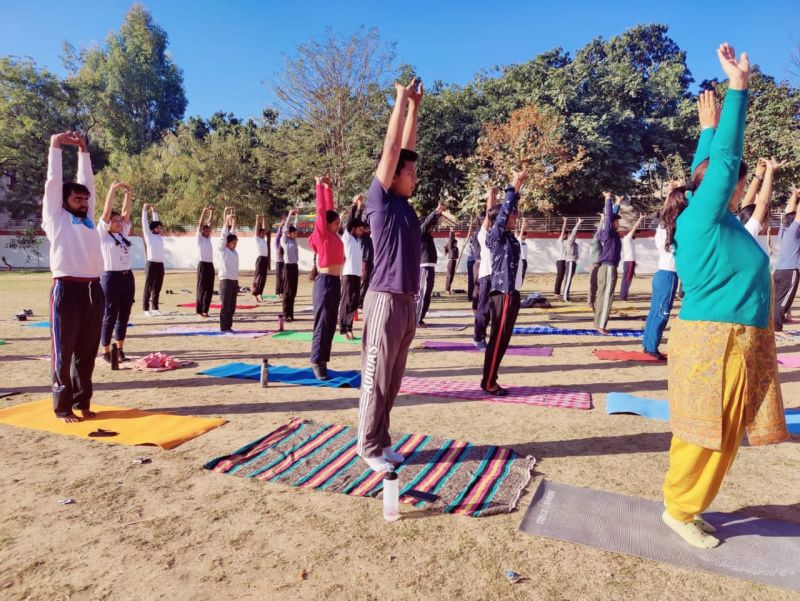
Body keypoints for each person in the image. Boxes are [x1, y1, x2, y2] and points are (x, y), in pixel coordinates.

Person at [660, 49, 787, 549]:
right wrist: (738, 89)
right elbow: (724, 163)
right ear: (722, 188)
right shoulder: (705, 217)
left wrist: (706, 130)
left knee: (722, 435)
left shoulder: (709, 215)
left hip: (730, 338)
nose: (737, 185)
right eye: (730, 183)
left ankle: (686, 504)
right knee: (705, 436)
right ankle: (679, 509)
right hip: (717, 341)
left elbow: (707, 167)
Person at [358, 77, 423, 473]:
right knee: (375, 378)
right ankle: (367, 446)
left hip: (406, 302)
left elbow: (407, 150)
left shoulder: (404, 205)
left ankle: (382, 440)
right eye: (409, 173)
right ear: (392, 176)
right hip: (383, 298)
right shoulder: (379, 201)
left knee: (393, 380)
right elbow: (393, 149)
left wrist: (416, 106)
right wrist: (400, 100)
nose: (415, 177)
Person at [42, 131, 104, 422]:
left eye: (84, 199)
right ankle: (62, 407)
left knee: (87, 353)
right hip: (66, 289)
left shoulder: (88, 217)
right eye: (77, 198)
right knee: (63, 352)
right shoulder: (56, 217)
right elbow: (54, 183)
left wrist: (84, 151)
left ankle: (83, 402)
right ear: (65, 201)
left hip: (94, 289)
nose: (82, 202)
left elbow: (87, 182)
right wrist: (56, 145)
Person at [482, 172, 527, 395]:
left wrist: (517, 192)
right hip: (502, 294)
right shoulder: (495, 235)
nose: (515, 216)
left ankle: (491, 378)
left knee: (504, 341)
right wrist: (514, 185)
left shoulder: (509, 236)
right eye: (511, 214)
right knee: (497, 340)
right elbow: (504, 211)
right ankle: (488, 382)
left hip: (512, 293)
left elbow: (509, 208)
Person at [308, 177, 345, 380]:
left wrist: (329, 188)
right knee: (322, 323)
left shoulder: (334, 237)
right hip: (324, 283)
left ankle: (323, 361)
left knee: (330, 323)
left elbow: (330, 210)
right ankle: (316, 362)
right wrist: (319, 187)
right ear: (327, 224)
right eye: (336, 223)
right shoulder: (322, 235)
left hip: (335, 283)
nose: (338, 225)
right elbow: (322, 212)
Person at [97, 181, 135, 363]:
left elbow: (126, 214)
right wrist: (112, 190)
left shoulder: (123, 234)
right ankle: (105, 350)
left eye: (119, 221)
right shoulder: (103, 234)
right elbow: (105, 214)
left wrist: (128, 193)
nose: (119, 222)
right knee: (110, 314)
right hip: (110, 277)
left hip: (127, 277)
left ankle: (120, 349)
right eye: (115, 221)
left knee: (125, 314)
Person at [641, 218, 678, 360]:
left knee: (654, 311)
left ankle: (647, 344)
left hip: (661, 274)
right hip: (668, 275)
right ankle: (651, 347)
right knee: (662, 313)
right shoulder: (672, 240)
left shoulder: (661, 230)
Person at [594, 192, 622, 333]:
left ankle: (598, 322)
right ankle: (601, 325)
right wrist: (608, 199)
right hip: (608, 268)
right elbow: (610, 217)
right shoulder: (608, 232)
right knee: (606, 296)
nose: (618, 222)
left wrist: (617, 202)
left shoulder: (609, 233)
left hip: (606, 268)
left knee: (602, 295)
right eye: (617, 221)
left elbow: (611, 217)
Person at [773, 188, 800, 332]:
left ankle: (774, 324)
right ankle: (775, 327)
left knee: (777, 300)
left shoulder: (784, 229)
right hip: (790, 272)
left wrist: (794, 196)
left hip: (779, 271)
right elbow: (796, 215)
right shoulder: (794, 232)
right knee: (783, 302)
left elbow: (788, 214)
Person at [339, 195, 366, 339]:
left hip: (356, 275)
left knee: (354, 303)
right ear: (354, 229)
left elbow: (355, 221)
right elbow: (351, 221)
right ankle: (344, 328)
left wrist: (361, 206)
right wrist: (356, 204)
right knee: (347, 302)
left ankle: (348, 327)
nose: (362, 231)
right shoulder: (348, 237)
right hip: (348, 274)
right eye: (360, 229)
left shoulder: (356, 240)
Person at [416, 204, 444, 325]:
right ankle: (416, 320)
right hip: (424, 268)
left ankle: (420, 318)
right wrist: (436, 212)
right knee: (422, 294)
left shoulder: (427, 236)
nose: (432, 228)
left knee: (427, 295)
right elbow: (427, 223)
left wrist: (439, 215)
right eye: (431, 226)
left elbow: (430, 223)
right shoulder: (420, 234)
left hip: (429, 268)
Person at [217, 208, 239, 333]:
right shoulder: (223, 250)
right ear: (227, 243)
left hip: (234, 281)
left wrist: (234, 222)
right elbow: (224, 236)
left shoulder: (234, 252)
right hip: (225, 280)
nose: (235, 244)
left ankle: (229, 326)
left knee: (232, 306)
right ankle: (223, 327)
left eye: (236, 243)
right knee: (225, 306)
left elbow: (232, 234)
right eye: (233, 243)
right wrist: (226, 221)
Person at [141, 203, 165, 316]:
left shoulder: (159, 236)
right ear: (152, 229)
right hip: (151, 263)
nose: (159, 229)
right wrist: (145, 209)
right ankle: (146, 309)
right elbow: (144, 223)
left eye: (160, 227)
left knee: (157, 286)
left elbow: (156, 220)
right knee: (149, 286)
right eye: (157, 227)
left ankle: (155, 307)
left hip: (160, 263)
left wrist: (154, 210)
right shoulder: (148, 235)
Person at [195, 206, 215, 318]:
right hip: (202, 264)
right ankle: (199, 310)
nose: (207, 232)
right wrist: (204, 211)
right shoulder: (199, 238)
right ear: (202, 231)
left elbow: (210, 223)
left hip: (210, 265)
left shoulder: (208, 239)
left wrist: (212, 212)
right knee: (201, 288)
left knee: (209, 288)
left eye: (208, 231)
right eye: (205, 230)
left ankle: (205, 310)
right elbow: (201, 224)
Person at [619, 212, 644, 301]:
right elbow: (634, 228)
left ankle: (623, 296)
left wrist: (635, 262)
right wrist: (640, 219)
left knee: (627, 279)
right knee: (627, 279)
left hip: (630, 261)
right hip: (629, 262)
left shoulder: (629, 240)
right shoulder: (627, 238)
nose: (635, 234)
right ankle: (623, 296)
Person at [281, 209, 300, 322]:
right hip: (287, 267)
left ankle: (291, 314)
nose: (295, 234)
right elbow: (286, 228)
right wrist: (289, 215)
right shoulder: (285, 241)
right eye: (293, 233)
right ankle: (285, 314)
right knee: (287, 291)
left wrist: (297, 215)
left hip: (294, 267)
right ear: (289, 234)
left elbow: (295, 225)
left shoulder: (294, 241)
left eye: (296, 233)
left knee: (293, 291)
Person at [561, 217, 582, 301]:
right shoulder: (570, 241)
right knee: (568, 278)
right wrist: (578, 223)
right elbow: (573, 232)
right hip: (570, 261)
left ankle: (566, 295)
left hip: (573, 262)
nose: (575, 235)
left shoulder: (575, 244)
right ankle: (565, 297)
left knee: (569, 278)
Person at [252, 214, 270, 303]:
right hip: (260, 259)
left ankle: (260, 294)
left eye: (263, 233)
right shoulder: (257, 239)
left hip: (265, 259)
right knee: (258, 277)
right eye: (261, 233)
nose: (263, 234)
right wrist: (257, 218)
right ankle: (254, 294)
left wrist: (263, 218)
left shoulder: (264, 239)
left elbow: (263, 228)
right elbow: (257, 230)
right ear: (259, 234)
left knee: (263, 278)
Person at [358, 208, 374, 309]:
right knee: (364, 281)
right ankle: (360, 301)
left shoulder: (369, 233)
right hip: (364, 258)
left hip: (370, 259)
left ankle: (363, 300)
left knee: (368, 281)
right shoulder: (362, 232)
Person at [274, 212, 286, 297]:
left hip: (284, 262)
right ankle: (278, 292)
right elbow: (278, 234)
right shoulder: (278, 242)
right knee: (279, 278)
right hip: (279, 262)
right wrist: (281, 226)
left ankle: (282, 291)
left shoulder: (284, 242)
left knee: (283, 277)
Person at [465, 218, 478, 300]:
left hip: (476, 260)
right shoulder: (471, 239)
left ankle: (475, 295)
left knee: (476, 280)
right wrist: (471, 224)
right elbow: (469, 233)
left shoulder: (477, 239)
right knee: (471, 279)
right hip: (471, 261)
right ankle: (470, 296)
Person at [443, 228, 459, 294]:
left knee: (451, 276)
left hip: (454, 261)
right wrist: (451, 232)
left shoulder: (455, 248)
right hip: (451, 261)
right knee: (449, 275)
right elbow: (451, 239)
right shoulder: (451, 247)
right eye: (455, 243)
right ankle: (447, 289)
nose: (456, 244)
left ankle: (448, 288)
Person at [517, 218, 528, 286]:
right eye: (525, 235)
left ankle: (519, 287)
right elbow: (522, 231)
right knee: (520, 275)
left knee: (523, 275)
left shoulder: (524, 242)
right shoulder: (519, 240)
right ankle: (518, 287)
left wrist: (526, 223)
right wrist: (523, 222)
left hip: (525, 261)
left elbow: (524, 230)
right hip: (521, 260)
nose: (526, 237)